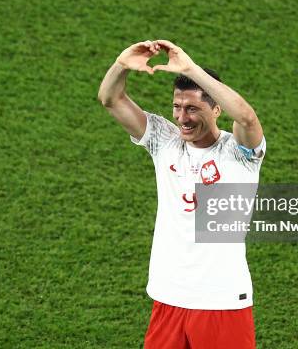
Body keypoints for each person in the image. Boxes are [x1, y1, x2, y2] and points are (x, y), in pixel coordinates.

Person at [98, 40, 266, 348]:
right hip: (169, 296)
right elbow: (111, 99)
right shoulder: (164, 140)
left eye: (192, 108)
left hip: (221, 301)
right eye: (177, 106)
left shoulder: (240, 153)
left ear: (216, 107)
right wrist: (121, 64)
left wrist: (191, 69)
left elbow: (247, 118)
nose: (182, 117)